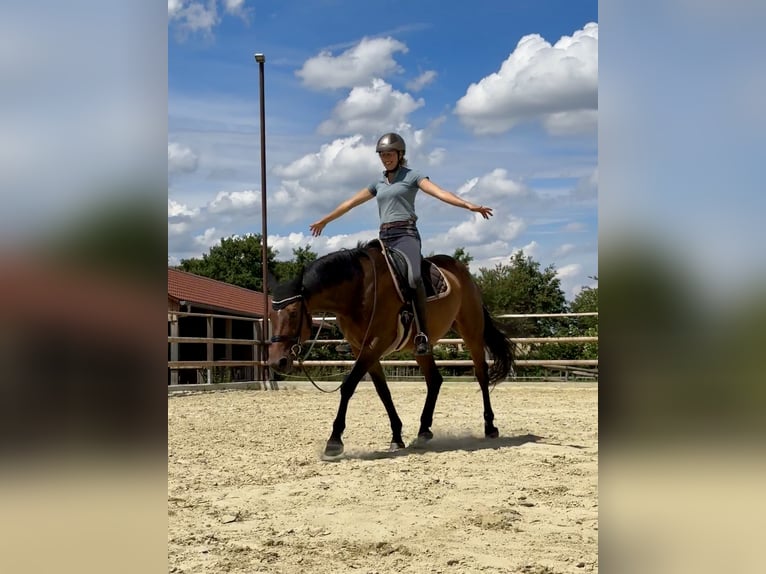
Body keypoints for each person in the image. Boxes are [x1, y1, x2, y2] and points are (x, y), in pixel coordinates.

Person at [309, 132, 493, 355]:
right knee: (362, 278)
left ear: (400, 154)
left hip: (406, 235)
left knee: (414, 277)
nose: (386, 158)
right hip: (383, 238)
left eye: (390, 154)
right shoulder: (377, 182)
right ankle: (357, 334)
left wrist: (468, 205)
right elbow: (350, 203)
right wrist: (325, 220)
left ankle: (422, 334)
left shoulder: (412, 176)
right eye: (383, 155)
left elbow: (440, 193)